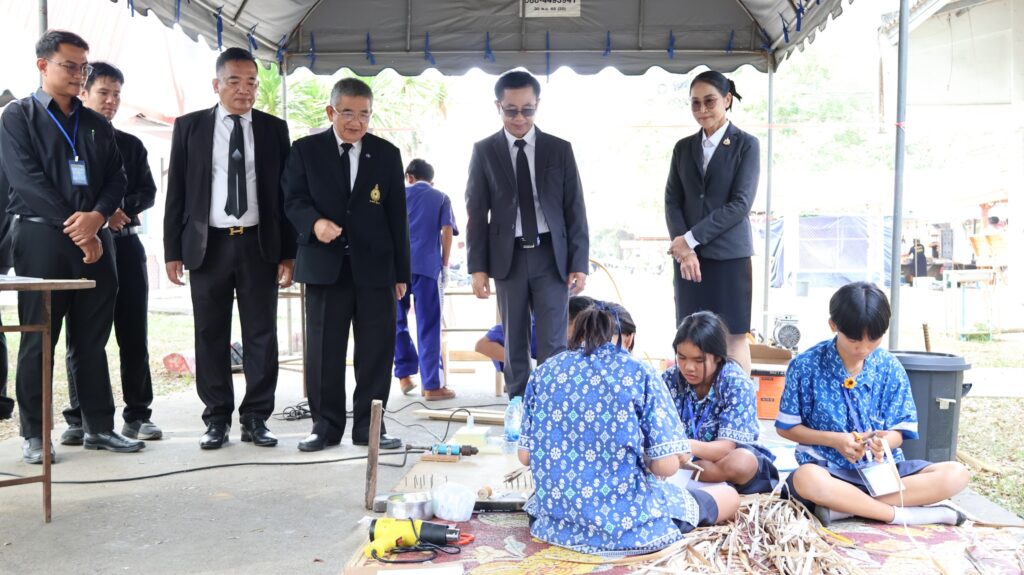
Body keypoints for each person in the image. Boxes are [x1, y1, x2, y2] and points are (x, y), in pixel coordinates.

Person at [0, 30, 143, 463]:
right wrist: (78, 226)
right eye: (69, 65)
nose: (79, 74)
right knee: (39, 339)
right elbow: (26, 180)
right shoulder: (17, 117)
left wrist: (97, 218)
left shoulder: (96, 123)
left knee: (92, 338)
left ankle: (98, 426)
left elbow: (117, 178)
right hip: (42, 238)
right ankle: (34, 434)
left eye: (84, 67)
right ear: (43, 65)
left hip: (96, 240)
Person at [518, 303, 738, 556]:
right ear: (628, 338)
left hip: (555, 521)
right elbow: (666, 467)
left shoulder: (544, 372)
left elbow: (525, 456)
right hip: (626, 523)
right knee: (729, 496)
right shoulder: (640, 372)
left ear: (579, 333)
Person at [163, 47, 294, 450]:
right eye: (234, 81)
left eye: (251, 82)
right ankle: (216, 418)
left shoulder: (274, 129)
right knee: (210, 334)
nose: (244, 90)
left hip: (258, 244)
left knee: (261, 334)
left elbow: (285, 195)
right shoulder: (190, 127)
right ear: (216, 84)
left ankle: (256, 417)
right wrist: (172, 250)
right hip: (209, 247)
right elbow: (177, 190)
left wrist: (288, 252)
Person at [282, 78, 410, 452]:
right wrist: (314, 224)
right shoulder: (305, 151)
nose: (356, 122)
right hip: (325, 268)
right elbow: (292, 200)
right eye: (348, 113)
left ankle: (370, 428)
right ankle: (325, 426)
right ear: (331, 112)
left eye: (364, 114)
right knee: (324, 351)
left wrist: (401, 274)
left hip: (376, 270)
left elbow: (397, 218)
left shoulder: (386, 154)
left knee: (376, 352)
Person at [776, 282, 970, 527]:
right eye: (854, 340)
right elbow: (786, 428)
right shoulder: (805, 366)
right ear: (833, 325)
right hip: (827, 470)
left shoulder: (890, 367)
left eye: (874, 339)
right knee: (806, 479)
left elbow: (900, 431)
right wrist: (835, 441)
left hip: (883, 473)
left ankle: (844, 506)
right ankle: (901, 515)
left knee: (956, 474)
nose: (864, 348)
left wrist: (883, 444)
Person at [466, 70, 590, 399]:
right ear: (498, 106)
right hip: (507, 258)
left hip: (551, 256)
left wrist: (579, 263)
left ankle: (553, 406)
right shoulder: (484, 151)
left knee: (554, 341)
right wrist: (478, 268)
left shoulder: (559, 149)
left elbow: (575, 209)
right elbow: (476, 214)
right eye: (511, 110)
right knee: (514, 340)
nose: (519, 118)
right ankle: (519, 407)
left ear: (538, 105)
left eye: (527, 109)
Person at [60, 62, 161, 446]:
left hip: (126, 242)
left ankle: (138, 413)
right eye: (104, 92)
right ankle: (78, 417)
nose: (111, 101)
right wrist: (101, 214)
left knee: (133, 332)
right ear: (83, 93)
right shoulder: (68, 142)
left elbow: (147, 191)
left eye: (117, 94)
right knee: (83, 334)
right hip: (85, 247)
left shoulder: (131, 144)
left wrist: (121, 210)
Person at [665, 70, 759, 374]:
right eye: (695, 103)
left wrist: (690, 239)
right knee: (689, 335)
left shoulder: (746, 145)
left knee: (732, 336)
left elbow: (740, 204)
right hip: (688, 261)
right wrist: (684, 251)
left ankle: (737, 401)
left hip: (730, 256)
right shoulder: (683, 148)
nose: (702, 109)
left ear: (727, 100)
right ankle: (692, 401)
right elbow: (672, 201)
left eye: (710, 101)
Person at [662, 311, 779, 494]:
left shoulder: (736, 383)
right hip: (681, 458)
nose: (688, 367)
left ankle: (686, 479)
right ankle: (695, 480)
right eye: (681, 357)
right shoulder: (670, 379)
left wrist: (687, 446)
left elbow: (726, 448)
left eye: (699, 360)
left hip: (722, 460)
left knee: (742, 462)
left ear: (717, 356)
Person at [393, 158, 458, 400]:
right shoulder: (440, 197)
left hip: (396, 269)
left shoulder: (396, 195)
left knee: (396, 322)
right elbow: (447, 232)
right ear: (431, 180)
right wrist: (445, 265)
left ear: (409, 177)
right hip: (428, 268)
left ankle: (404, 375)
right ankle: (431, 385)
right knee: (429, 325)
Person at [474, 295, 593, 371]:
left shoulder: (596, 329)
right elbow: (482, 345)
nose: (584, 337)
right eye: (581, 329)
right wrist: (530, 364)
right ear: (563, 320)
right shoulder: (534, 327)